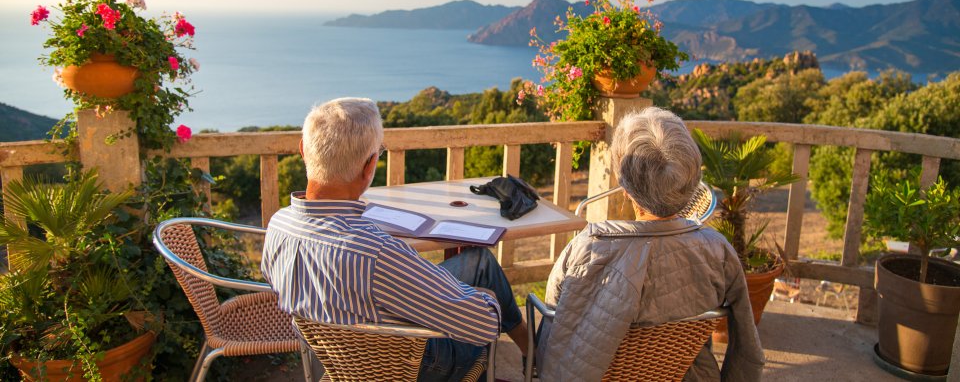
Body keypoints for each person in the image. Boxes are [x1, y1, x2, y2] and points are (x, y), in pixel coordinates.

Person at [261, 97, 527, 381]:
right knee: (483, 290)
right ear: (370, 165)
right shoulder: (377, 252)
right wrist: (483, 301)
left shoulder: (277, 226)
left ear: (303, 151)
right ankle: (535, 354)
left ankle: (531, 348)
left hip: (337, 361)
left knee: (477, 262)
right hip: (409, 366)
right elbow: (483, 326)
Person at [534, 106, 764, 381]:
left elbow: (554, 321)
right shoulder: (717, 250)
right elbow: (747, 343)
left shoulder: (587, 248)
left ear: (624, 182)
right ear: (690, 179)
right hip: (683, 373)